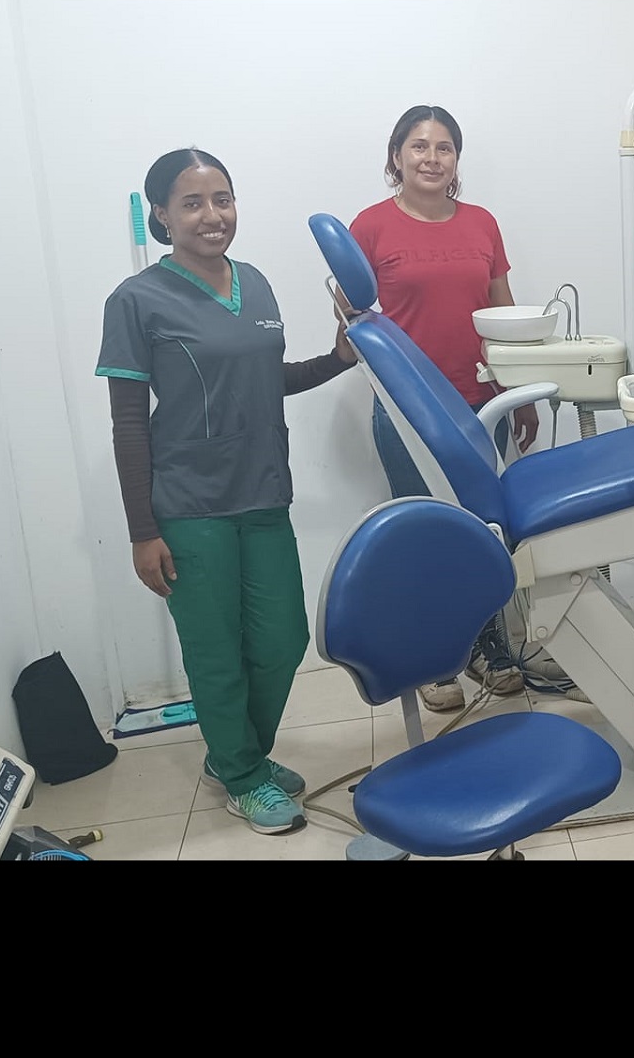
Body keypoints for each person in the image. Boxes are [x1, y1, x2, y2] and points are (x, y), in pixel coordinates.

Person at [97, 147, 363, 835]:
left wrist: (338, 358)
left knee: (282, 640)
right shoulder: (135, 300)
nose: (212, 215)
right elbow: (129, 423)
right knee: (216, 654)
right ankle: (244, 775)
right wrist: (142, 531)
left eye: (222, 199)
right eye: (192, 203)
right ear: (161, 215)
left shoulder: (257, 284)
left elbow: (267, 379)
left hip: (264, 493)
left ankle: (234, 755)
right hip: (189, 506)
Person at [342, 104, 543, 714]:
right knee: (424, 534)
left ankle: (487, 647)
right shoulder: (370, 227)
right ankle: (432, 660)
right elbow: (351, 322)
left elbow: (504, 313)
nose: (432, 158)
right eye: (419, 146)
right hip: (407, 410)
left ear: (457, 159)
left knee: (484, 531)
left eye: (444, 147)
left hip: (482, 403)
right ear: (396, 156)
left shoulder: (482, 223)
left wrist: (521, 390)